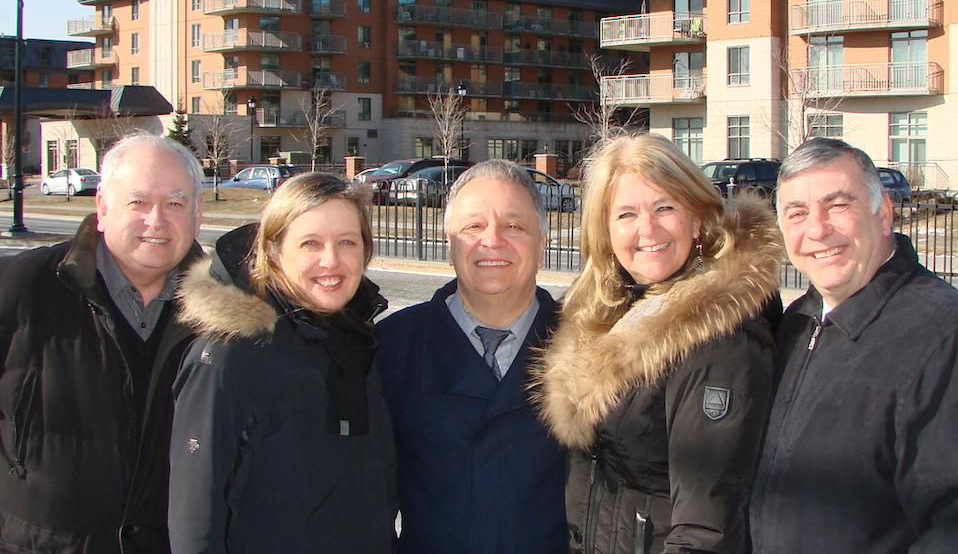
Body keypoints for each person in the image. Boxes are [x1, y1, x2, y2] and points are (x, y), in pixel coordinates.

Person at [533, 133, 782, 554]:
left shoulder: (719, 340)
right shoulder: (605, 316)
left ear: (698, 217)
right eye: (626, 214)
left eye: (665, 207)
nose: (647, 229)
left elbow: (707, 530)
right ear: (606, 232)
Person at [749, 137, 958, 553]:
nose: (817, 229)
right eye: (797, 213)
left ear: (883, 215)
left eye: (838, 205)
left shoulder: (942, 334)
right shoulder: (795, 325)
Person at [168, 173, 397, 554]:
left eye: (347, 242)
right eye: (310, 243)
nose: (331, 260)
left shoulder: (358, 345)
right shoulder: (232, 357)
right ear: (273, 250)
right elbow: (196, 522)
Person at [0, 132, 205, 553]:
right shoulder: (24, 287)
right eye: (138, 202)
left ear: (197, 215)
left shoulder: (223, 317)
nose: (156, 220)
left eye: (175, 204)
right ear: (102, 209)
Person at [376, 160, 567, 554]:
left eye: (514, 226)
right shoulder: (391, 348)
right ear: (449, 244)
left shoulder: (590, 348)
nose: (492, 240)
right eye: (473, 227)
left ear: (543, 243)